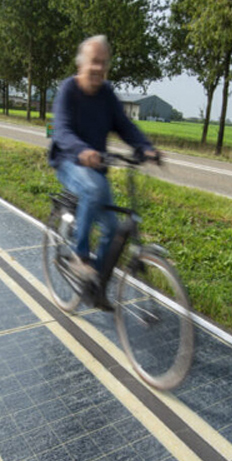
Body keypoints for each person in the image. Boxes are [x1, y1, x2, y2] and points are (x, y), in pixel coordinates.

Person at [48, 35, 158, 300]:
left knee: (112, 228)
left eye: (104, 63)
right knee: (94, 188)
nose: (99, 68)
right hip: (68, 161)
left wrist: (144, 147)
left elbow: (125, 125)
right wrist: (81, 150)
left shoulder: (107, 94)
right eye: (94, 62)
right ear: (81, 64)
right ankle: (79, 254)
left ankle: (93, 285)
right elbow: (60, 130)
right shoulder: (68, 90)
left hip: (95, 168)